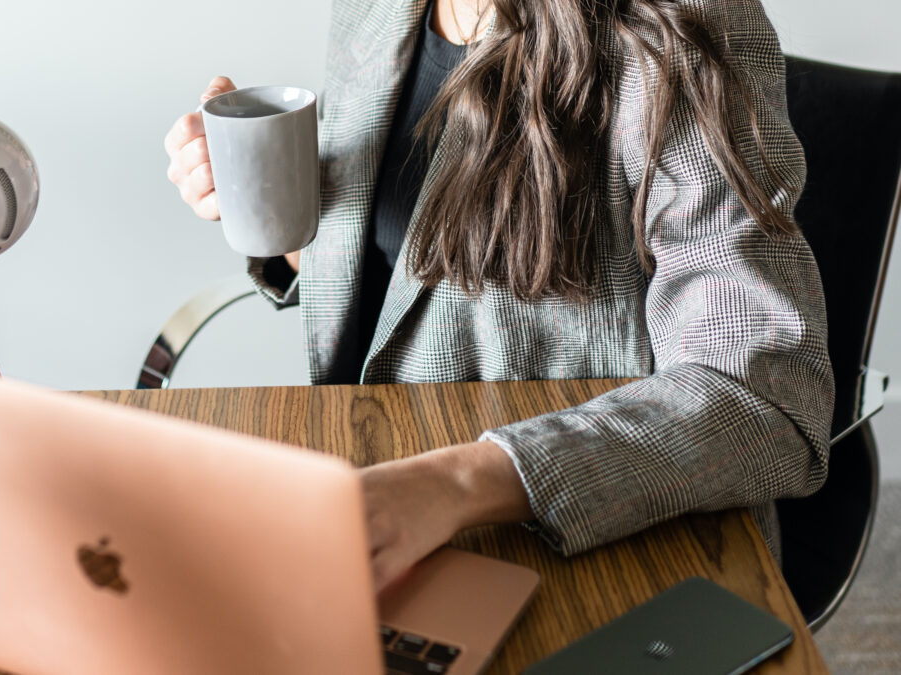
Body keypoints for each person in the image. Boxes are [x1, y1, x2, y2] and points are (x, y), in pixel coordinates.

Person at [164, 0, 834, 592]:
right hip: (377, 506)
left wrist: (454, 483)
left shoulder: (682, 27)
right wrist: (271, 205)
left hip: (593, 550)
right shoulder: (371, 11)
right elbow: (410, 292)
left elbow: (765, 397)